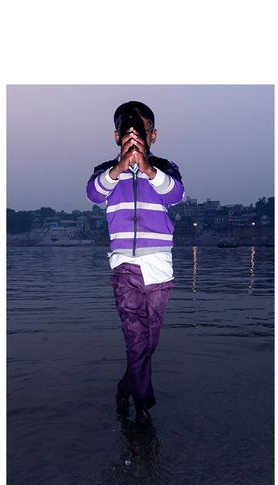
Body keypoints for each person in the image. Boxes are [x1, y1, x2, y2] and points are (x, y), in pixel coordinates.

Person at [86, 101, 185, 425]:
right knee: (136, 338)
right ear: (117, 136)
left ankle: (124, 387)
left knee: (149, 342)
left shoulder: (165, 168)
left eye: (142, 131)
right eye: (129, 131)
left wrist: (147, 169)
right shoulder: (107, 173)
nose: (135, 137)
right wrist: (118, 168)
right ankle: (143, 407)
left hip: (159, 267)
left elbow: (176, 195)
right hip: (124, 266)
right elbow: (93, 194)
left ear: (152, 135)